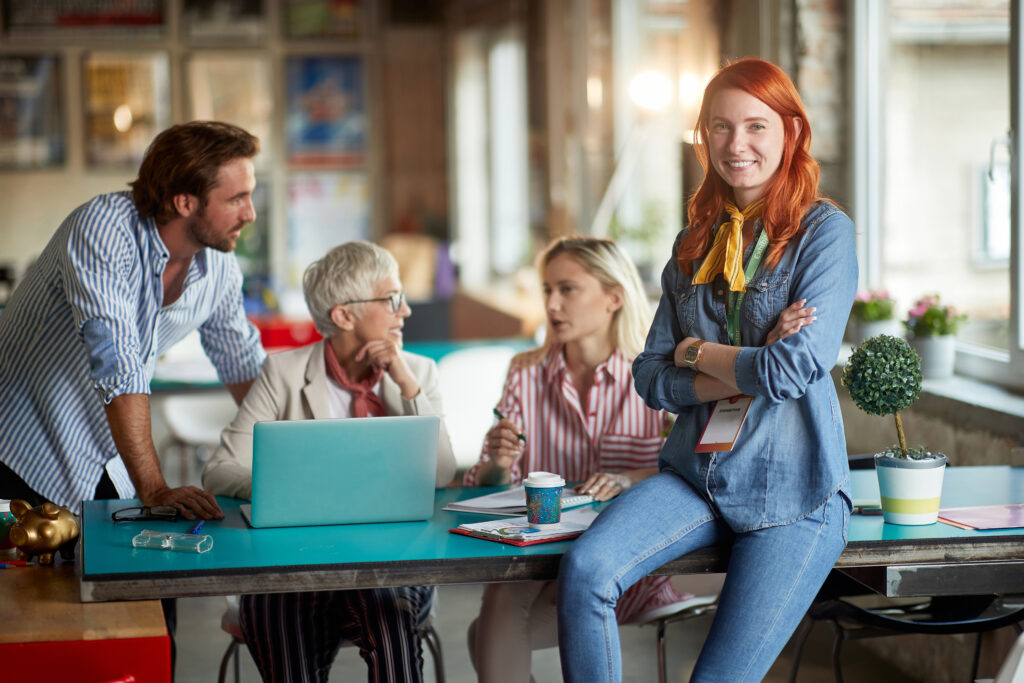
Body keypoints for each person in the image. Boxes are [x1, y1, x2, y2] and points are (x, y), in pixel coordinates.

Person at [557, 58, 858, 682]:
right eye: (719, 127)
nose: (736, 144)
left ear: (791, 133)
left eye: (755, 126)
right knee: (586, 573)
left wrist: (696, 352)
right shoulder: (694, 240)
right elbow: (649, 374)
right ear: (703, 138)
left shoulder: (825, 234)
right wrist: (735, 364)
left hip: (792, 494)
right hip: (695, 475)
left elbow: (794, 369)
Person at [203, 240, 456, 683]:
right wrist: (290, 489)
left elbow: (440, 475)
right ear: (344, 315)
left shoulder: (418, 374)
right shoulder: (283, 374)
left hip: (392, 563)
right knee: (278, 611)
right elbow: (220, 470)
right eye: (392, 299)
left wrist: (406, 387)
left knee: (386, 608)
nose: (406, 311)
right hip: (299, 564)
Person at [0, 120, 266, 521]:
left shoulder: (221, 267)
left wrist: (296, 462)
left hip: (103, 447)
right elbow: (118, 363)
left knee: (121, 569)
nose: (251, 213)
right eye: (237, 199)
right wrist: (155, 488)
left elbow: (242, 364)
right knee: (38, 583)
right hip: (21, 444)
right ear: (185, 201)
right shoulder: (104, 228)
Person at [463, 236, 692, 683]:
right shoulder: (524, 372)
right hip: (547, 556)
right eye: (547, 289)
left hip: (640, 563)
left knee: (484, 633)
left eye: (567, 289)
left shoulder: (659, 378)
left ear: (614, 297)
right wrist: (496, 459)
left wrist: (632, 477)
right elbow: (485, 483)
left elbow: (700, 466)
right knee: (498, 606)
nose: (552, 304)